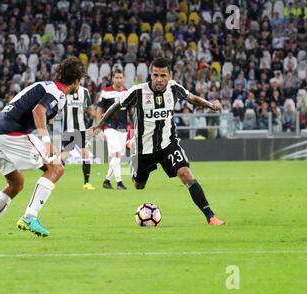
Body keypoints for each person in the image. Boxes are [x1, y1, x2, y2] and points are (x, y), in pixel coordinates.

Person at [89, 57, 227, 225]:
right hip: (143, 150)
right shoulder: (138, 91)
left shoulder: (174, 88)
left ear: (169, 75)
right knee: (139, 185)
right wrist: (100, 125)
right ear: (150, 74)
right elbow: (116, 106)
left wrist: (211, 106)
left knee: (185, 173)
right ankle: (135, 168)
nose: (159, 79)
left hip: (168, 144)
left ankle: (210, 216)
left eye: (163, 75)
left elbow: (192, 98)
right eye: (155, 75)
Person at [0, 57, 86, 239]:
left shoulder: (44, 85)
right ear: (77, 80)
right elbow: (38, 110)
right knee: (56, 167)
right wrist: (46, 140)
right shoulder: (57, 92)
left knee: (15, 184)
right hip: (13, 134)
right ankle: (29, 217)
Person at [97, 69, 129, 190]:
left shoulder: (127, 92)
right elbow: (99, 110)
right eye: (117, 77)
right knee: (116, 153)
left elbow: (131, 111)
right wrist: (99, 128)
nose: (119, 79)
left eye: (121, 77)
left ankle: (107, 181)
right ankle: (119, 183)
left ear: (124, 79)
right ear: (113, 79)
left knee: (117, 156)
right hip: (109, 127)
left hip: (123, 127)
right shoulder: (105, 92)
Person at [60, 85, 97, 190]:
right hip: (68, 129)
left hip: (82, 129)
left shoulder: (84, 91)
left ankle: (86, 183)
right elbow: (58, 107)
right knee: (64, 156)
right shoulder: (64, 91)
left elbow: (88, 109)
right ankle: (53, 180)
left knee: (85, 153)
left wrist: (100, 120)